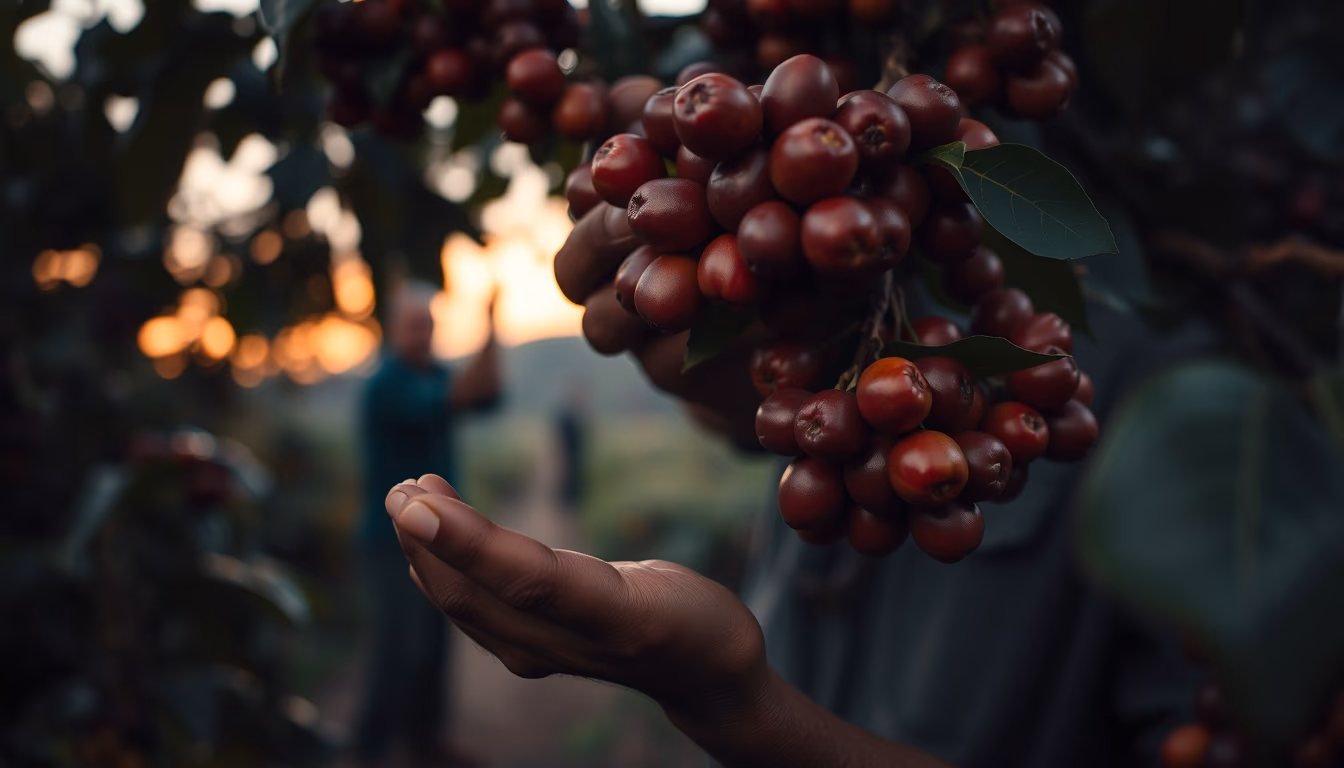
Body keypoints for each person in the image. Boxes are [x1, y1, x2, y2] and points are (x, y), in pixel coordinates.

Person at [377, 204, 1202, 767]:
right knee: (403, 655)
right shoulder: (863, 306)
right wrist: (738, 389)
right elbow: (776, 418)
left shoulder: (1160, 405)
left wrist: (748, 715)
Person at [354, 281, 501, 768]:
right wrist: (491, 324)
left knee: (434, 643)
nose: (423, 335)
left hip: (436, 537)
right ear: (393, 330)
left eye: (428, 326)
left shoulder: (432, 374)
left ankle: (424, 742)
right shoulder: (387, 385)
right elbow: (464, 394)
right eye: (414, 326)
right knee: (399, 646)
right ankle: (369, 750)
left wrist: (491, 336)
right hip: (391, 538)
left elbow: (487, 393)